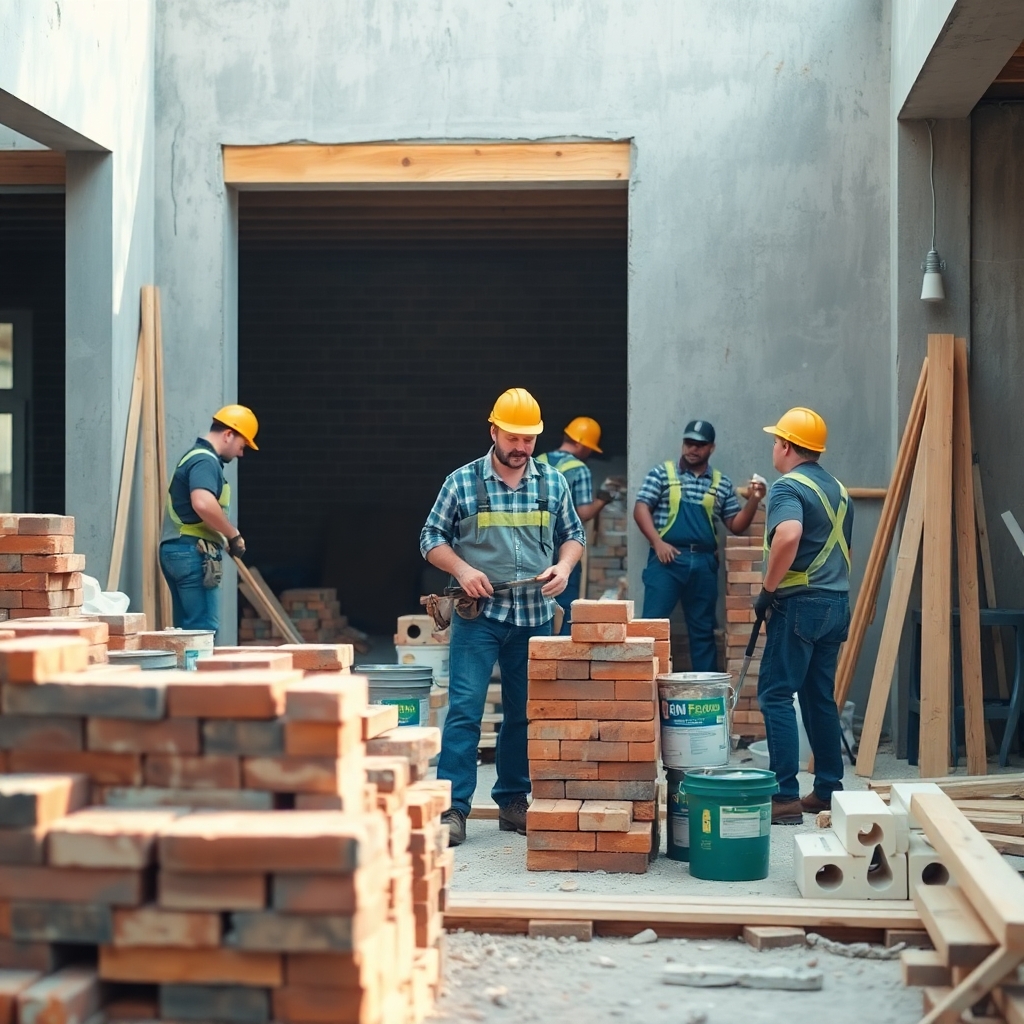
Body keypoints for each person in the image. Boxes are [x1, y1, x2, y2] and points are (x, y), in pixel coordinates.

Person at [420, 388, 585, 846]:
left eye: (530, 439)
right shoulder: (462, 483)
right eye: (513, 437)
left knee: (523, 715)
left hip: (532, 617)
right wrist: (462, 568)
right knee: (465, 712)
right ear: (493, 431)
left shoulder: (553, 482)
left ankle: (513, 801)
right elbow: (430, 537)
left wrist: (565, 566)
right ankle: (454, 808)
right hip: (480, 618)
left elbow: (573, 535)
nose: (521, 447)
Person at [755, 407, 853, 825]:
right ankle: (829, 789)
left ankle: (784, 797)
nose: (774, 448)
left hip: (800, 605)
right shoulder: (838, 489)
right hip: (836, 604)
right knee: (818, 698)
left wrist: (767, 589)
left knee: (776, 694)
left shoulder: (786, 487)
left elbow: (790, 535)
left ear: (787, 446)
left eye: (776, 441)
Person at [633, 419, 765, 671]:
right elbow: (641, 508)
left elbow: (736, 525)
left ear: (711, 448)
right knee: (651, 627)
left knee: (703, 631)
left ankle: (705, 694)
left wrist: (754, 500)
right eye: (689, 443)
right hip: (667, 561)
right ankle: (644, 689)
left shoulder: (721, 483)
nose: (692, 449)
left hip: (703, 563)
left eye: (700, 445)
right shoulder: (662, 473)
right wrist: (657, 542)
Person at [159, 405, 258, 632]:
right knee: (202, 631)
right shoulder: (205, 461)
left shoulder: (194, 457)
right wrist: (232, 534)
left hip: (177, 549)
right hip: (194, 553)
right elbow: (202, 502)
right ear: (228, 435)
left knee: (188, 633)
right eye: (242, 446)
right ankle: (196, 669)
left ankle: (185, 668)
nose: (241, 453)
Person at [536, 416, 622, 634]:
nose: (590, 453)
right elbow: (583, 513)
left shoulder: (538, 460)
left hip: (534, 541)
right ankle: (562, 652)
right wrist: (603, 499)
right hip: (564, 544)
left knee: (536, 600)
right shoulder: (579, 468)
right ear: (582, 444)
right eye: (590, 448)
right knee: (564, 602)